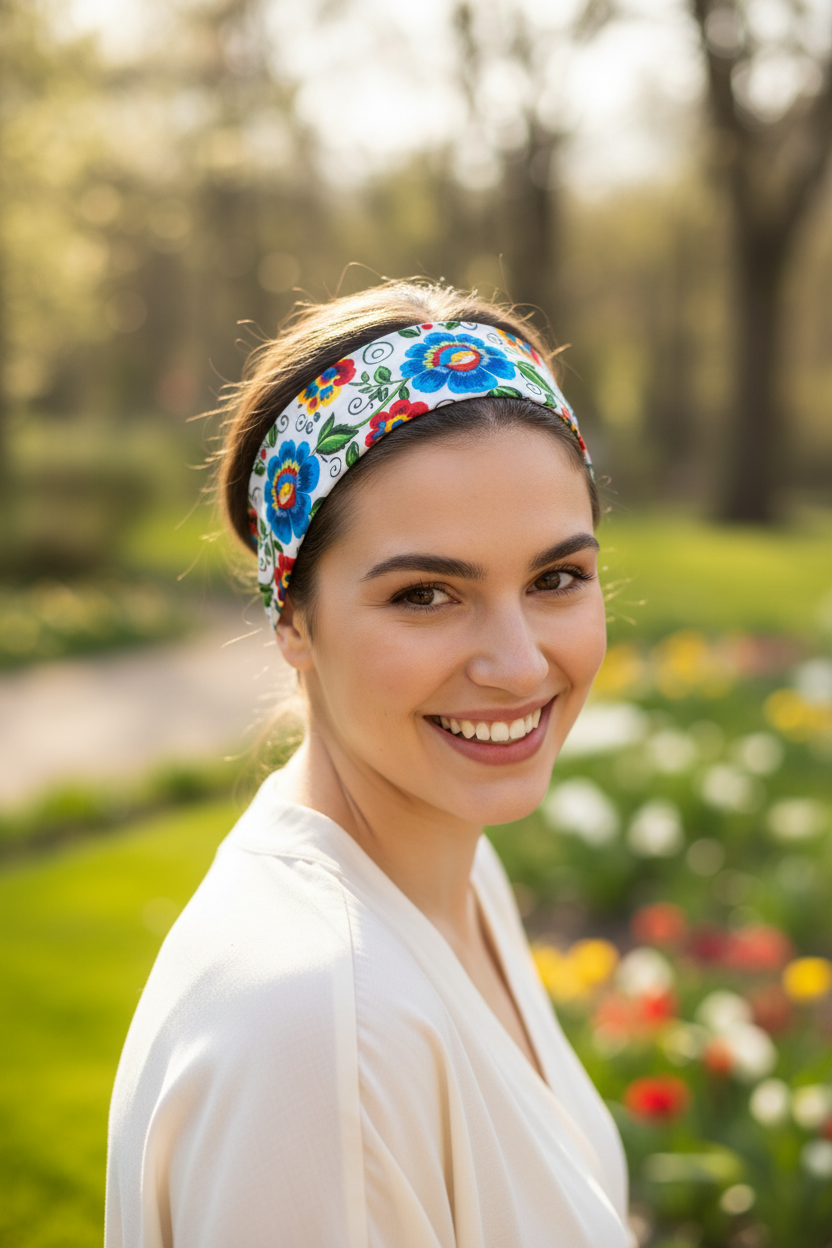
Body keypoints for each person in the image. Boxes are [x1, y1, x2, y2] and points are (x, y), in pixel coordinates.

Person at [105, 282, 635, 1248]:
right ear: (294, 621)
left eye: (556, 579)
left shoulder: (451, 867)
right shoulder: (319, 1030)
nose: (518, 664)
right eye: (427, 595)